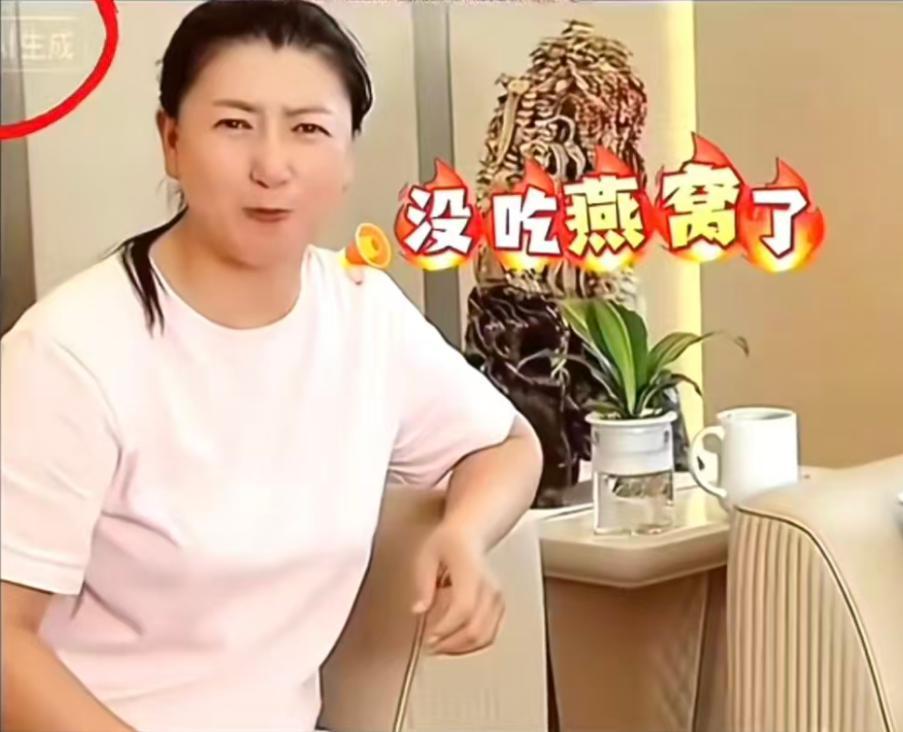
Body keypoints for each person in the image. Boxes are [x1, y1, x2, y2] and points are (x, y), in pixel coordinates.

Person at [0, 2, 543, 730]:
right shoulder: (68, 352)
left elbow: (507, 444)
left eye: (308, 129)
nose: (272, 166)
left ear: (347, 158)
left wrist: (465, 534)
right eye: (234, 124)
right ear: (171, 141)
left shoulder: (362, 313)